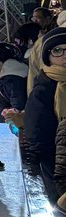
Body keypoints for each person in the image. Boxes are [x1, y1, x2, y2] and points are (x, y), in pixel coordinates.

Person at [26, 27, 66, 194]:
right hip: (54, 156)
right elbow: (35, 124)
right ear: (47, 56)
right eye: (57, 50)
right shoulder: (44, 88)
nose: (65, 55)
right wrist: (34, 156)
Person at [28, 8, 59, 95]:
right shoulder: (36, 29)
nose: (35, 20)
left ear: (48, 18)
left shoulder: (56, 29)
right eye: (33, 18)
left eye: (37, 17)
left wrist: (42, 39)